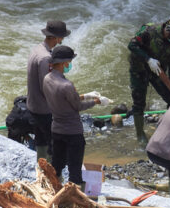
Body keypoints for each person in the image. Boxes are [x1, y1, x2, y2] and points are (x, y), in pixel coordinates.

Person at [42, 45, 110, 189]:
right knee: (74, 168)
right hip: (72, 132)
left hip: (56, 129)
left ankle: (53, 188)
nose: (70, 64)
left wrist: (85, 95)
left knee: (57, 163)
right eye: (69, 61)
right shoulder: (66, 85)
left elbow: (64, 99)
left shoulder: (47, 79)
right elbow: (78, 106)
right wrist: (96, 101)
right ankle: (76, 196)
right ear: (64, 63)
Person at [127, 17, 170, 144]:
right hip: (139, 69)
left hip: (158, 72)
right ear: (169, 31)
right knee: (139, 103)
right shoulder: (149, 31)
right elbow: (132, 45)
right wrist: (148, 59)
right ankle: (140, 134)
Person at [27, 20, 70, 161]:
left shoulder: (37, 49)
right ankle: (52, 175)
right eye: (61, 37)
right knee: (53, 145)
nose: (62, 40)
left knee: (41, 141)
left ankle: (41, 169)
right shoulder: (46, 58)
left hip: (33, 105)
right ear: (56, 38)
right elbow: (46, 87)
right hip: (44, 109)